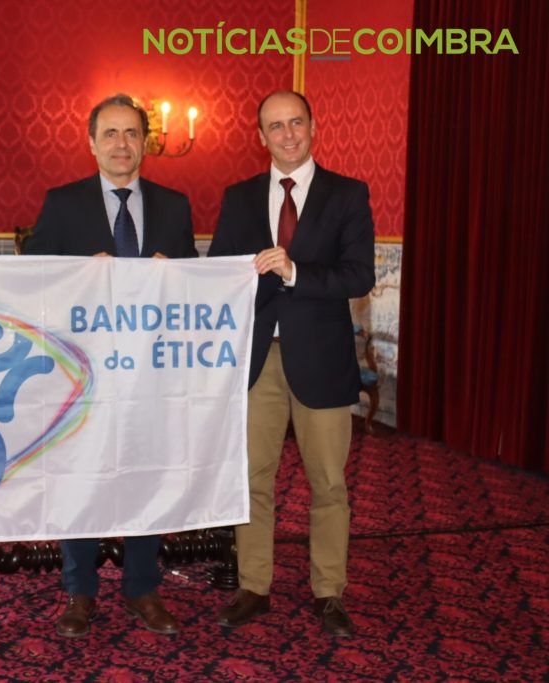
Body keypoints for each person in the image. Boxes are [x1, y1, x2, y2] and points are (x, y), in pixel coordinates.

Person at [24, 93, 197, 638]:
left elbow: (196, 288)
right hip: (84, 373)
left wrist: (177, 275)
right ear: (91, 142)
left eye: (131, 134)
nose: (122, 144)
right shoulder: (62, 203)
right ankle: (80, 591)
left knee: (147, 474)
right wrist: (79, 271)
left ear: (145, 142)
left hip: (150, 372)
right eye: (111, 134)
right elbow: (32, 279)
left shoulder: (175, 205)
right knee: (83, 477)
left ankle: (142, 587)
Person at [207, 90, 375, 637]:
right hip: (256, 361)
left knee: (328, 483)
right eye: (275, 126)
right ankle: (254, 586)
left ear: (313, 126)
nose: (287, 134)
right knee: (253, 480)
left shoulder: (347, 194)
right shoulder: (238, 197)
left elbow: (359, 276)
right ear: (261, 137)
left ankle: (329, 592)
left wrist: (295, 271)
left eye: (295, 122)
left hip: (321, 360)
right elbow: (221, 273)